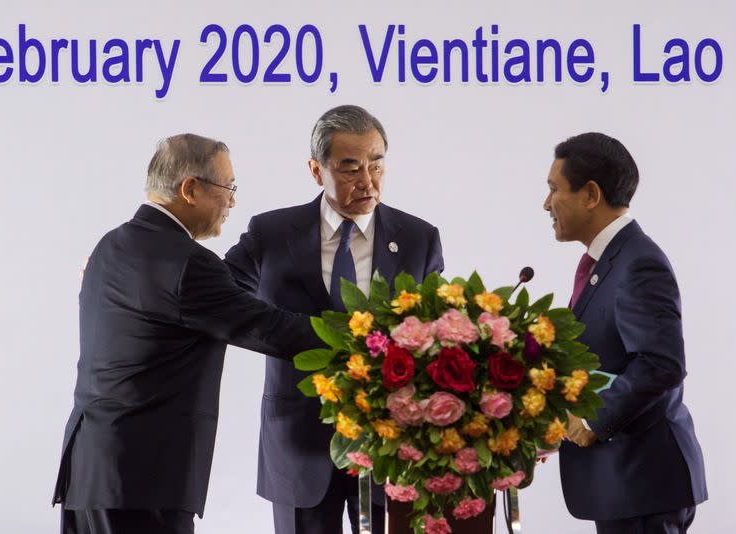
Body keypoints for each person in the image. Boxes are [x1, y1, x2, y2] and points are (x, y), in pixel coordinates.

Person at [52, 133, 319, 534]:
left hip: (87, 473)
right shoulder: (190, 264)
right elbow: (270, 330)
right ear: (190, 189)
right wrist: (371, 334)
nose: (232, 201)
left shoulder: (109, 246)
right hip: (143, 484)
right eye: (228, 188)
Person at [225, 105, 444, 534]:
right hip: (298, 446)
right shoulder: (271, 233)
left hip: (390, 447)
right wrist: (142, 272)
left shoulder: (419, 239)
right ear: (315, 169)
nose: (367, 181)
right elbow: (213, 292)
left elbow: (436, 334)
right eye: (349, 169)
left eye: (376, 164)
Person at [544, 132, 707, 533]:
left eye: (554, 190)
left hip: (644, 482)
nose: (547, 204)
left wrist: (594, 420)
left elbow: (661, 363)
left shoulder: (638, 263)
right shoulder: (610, 261)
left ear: (591, 194)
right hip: (626, 484)